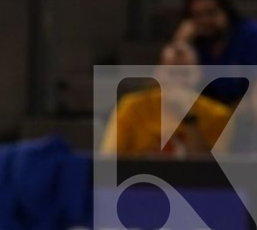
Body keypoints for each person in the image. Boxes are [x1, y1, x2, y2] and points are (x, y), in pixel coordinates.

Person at [99, 40, 232, 157]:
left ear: (198, 75)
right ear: (159, 73)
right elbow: (109, 161)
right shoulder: (131, 107)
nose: (178, 81)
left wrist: (189, 118)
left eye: (185, 73)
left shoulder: (218, 115)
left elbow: (215, 176)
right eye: (172, 72)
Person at [177, 0, 257, 105]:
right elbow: (170, 87)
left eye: (211, 13)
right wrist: (180, 41)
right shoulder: (197, 43)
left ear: (226, 11)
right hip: (216, 114)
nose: (204, 21)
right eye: (197, 16)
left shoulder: (255, 37)